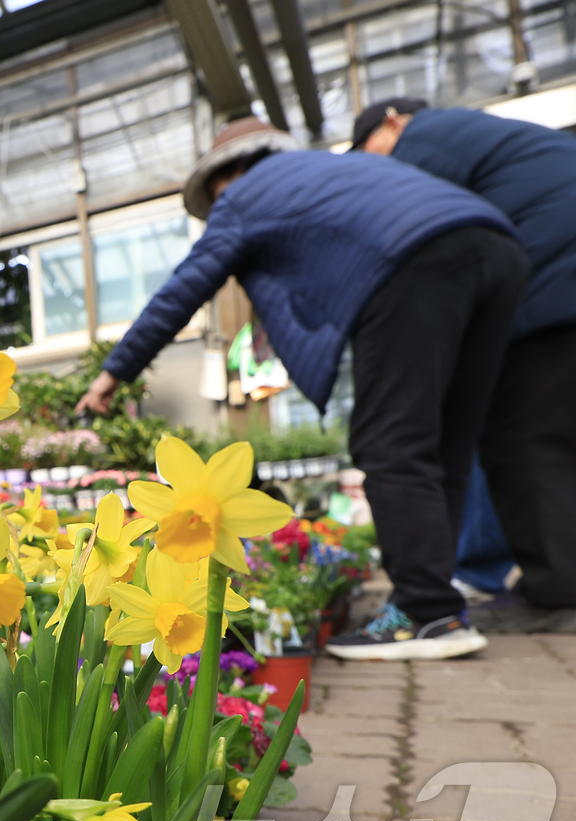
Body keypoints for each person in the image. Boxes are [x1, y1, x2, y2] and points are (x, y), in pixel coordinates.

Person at [75, 116, 528, 660]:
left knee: (390, 442)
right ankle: (440, 605)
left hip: (414, 264)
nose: (220, 204)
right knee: (447, 442)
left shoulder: (245, 196)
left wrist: (111, 374)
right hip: (497, 247)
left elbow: (184, 289)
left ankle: (427, 615)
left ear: (232, 172)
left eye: (216, 193)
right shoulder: (334, 170)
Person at [353, 98, 576, 632]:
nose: (374, 168)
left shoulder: (424, 137)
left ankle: (560, 588)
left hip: (550, 289)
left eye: (369, 153)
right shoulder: (483, 135)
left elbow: (417, 224)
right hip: (557, 280)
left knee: (523, 441)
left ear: (391, 122)